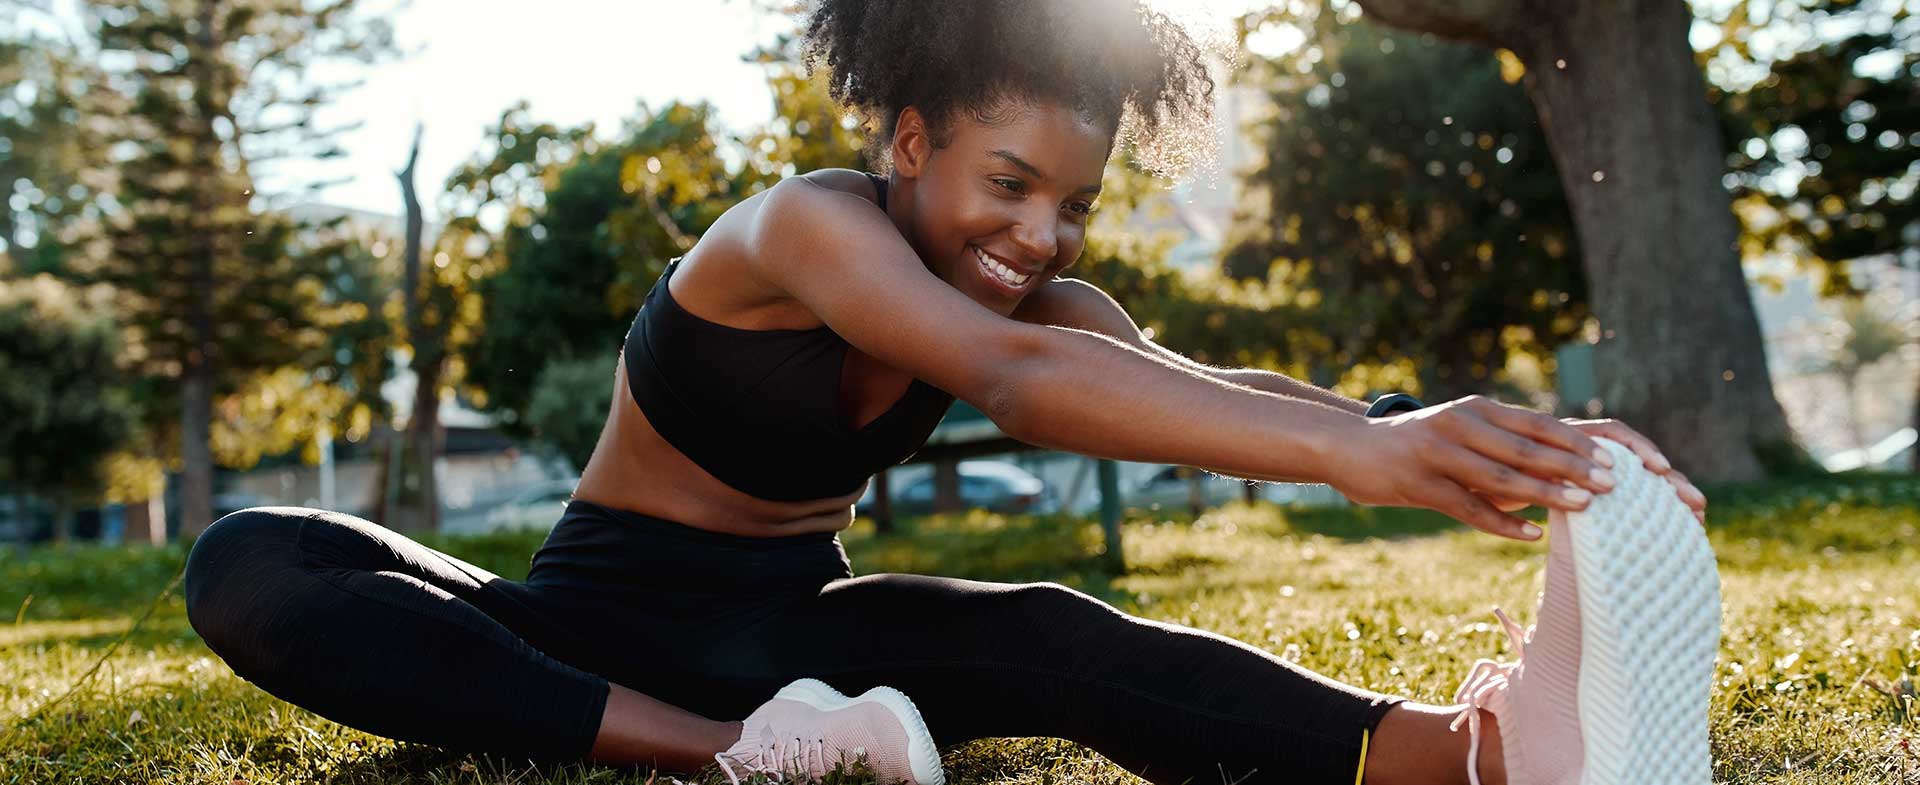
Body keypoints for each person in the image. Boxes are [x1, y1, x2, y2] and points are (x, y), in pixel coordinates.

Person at [181, 1, 1716, 783]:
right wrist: (1365, 460)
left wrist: (1455, 435)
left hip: (806, 650)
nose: (1040, 235)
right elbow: (1014, 378)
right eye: (1010, 181)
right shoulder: (799, 229)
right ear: (910, 141)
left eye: (1074, 204)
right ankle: (726, 754)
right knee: (252, 558)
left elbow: (1192, 385)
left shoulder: (1045, 304)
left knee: (1048, 630)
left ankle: (1477, 757)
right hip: (581, 631)